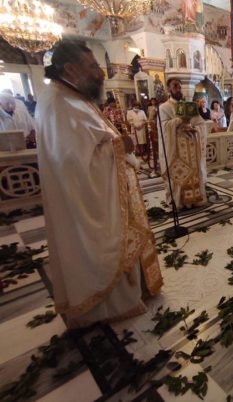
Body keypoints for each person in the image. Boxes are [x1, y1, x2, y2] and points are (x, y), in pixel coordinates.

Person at [37, 40, 162, 328]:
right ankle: (108, 305)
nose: (100, 72)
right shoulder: (58, 103)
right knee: (100, 246)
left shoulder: (73, 97)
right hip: (87, 201)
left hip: (101, 192)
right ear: (70, 69)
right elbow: (72, 164)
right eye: (93, 66)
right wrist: (119, 146)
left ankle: (129, 292)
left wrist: (116, 145)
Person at [158, 77, 208, 209]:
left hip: (191, 148)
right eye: (175, 86)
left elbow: (201, 124)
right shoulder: (164, 107)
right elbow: (163, 127)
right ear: (168, 89)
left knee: (193, 173)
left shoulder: (189, 106)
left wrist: (195, 128)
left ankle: (194, 200)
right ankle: (179, 201)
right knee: (178, 174)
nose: (178, 89)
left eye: (179, 86)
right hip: (176, 150)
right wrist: (180, 119)